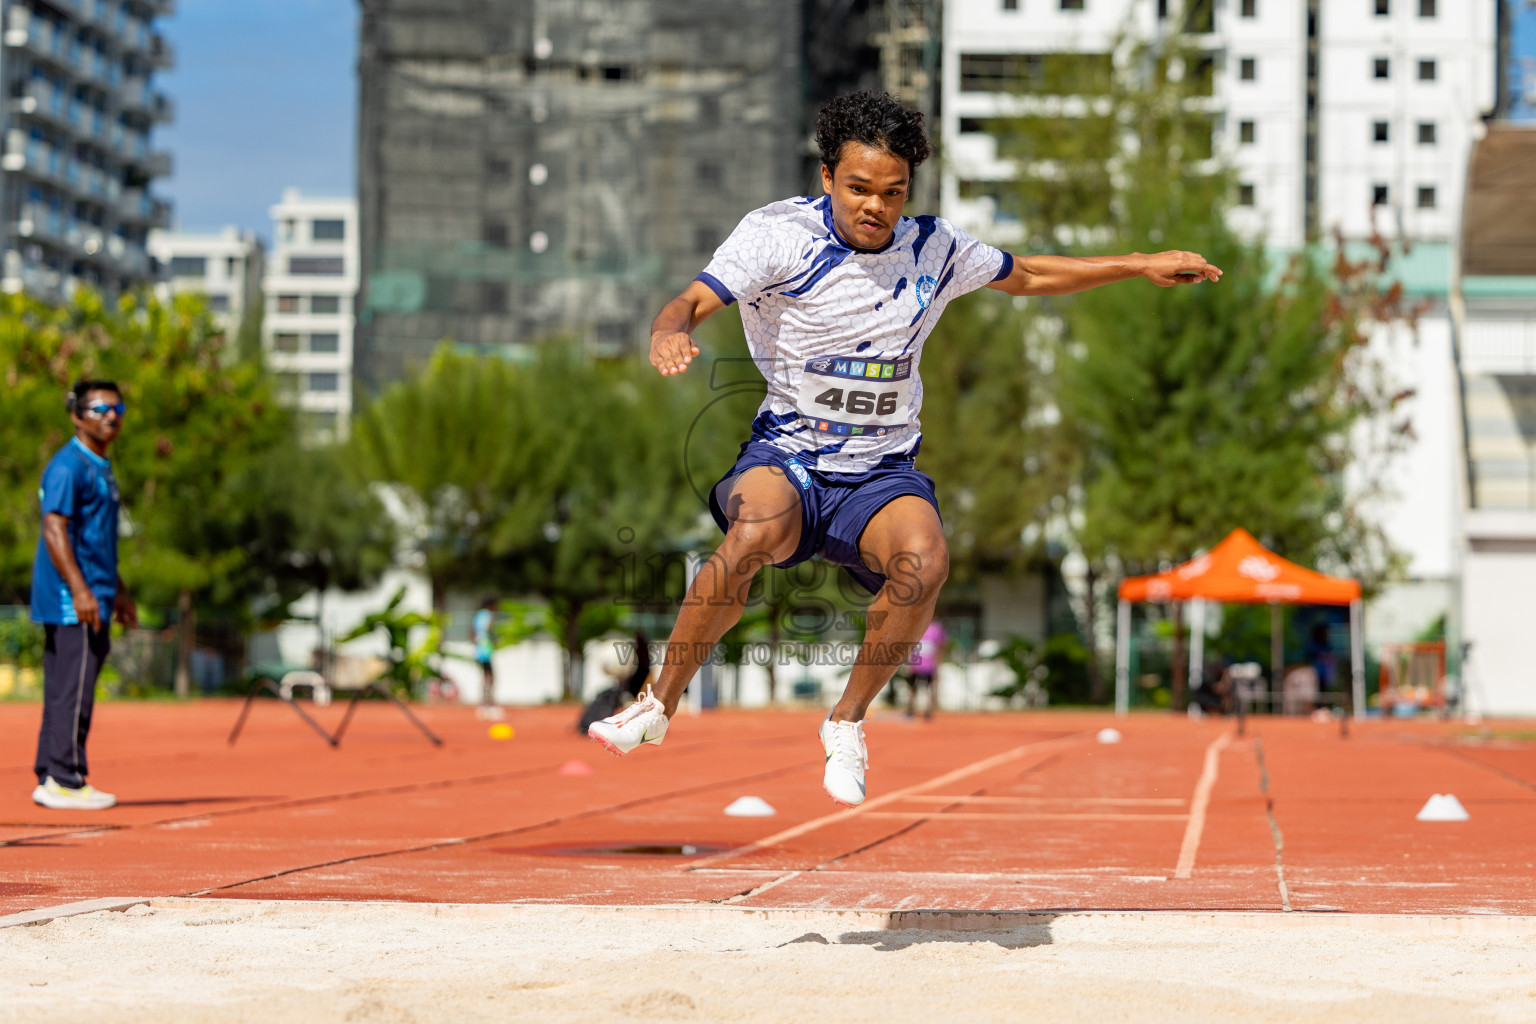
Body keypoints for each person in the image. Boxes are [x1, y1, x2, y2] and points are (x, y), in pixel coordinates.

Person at [589, 90, 1221, 806]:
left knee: (926, 562)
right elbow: (693, 301)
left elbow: (1032, 275)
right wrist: (666, 331)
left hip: (880, 473)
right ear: (828, 177)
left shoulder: (936, 249)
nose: (875, 207)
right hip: (789, 455)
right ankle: (657, 704)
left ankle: (846, 722)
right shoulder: (776, 236)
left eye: (893, 193)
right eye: (858, 188)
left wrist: (1138, 264)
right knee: (755, 530)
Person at [30, 379, 137, 811]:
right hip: (71, 598)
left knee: (66, 688)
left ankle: (50, 775)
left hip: (97, 591)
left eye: (117, 409)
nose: (111, 416)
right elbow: (54, 528)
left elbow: (99, 541)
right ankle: (65, 777)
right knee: (74, 689)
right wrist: (79, 590)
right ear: (76, 415)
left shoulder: (100, 466)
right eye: (99, 409)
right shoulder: (68, 466)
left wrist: (121, 592)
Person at [905, 618, 946, 720]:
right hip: (920, 665)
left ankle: (923, 711)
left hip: (924, 665)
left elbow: (940, 645)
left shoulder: (932, 627)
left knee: (922, 689)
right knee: (916, 689)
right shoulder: (920, 626)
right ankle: (914, 710)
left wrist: (937, 662)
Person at [472, 598, 498, 717]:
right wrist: (494, 638)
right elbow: (489, 629)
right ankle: (489, 703)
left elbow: (472, 631)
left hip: (479, 649)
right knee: (490, 677)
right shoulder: (487, 615)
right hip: (486, 650)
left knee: (485, 676)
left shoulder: (478, 615)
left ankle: (484, 702)